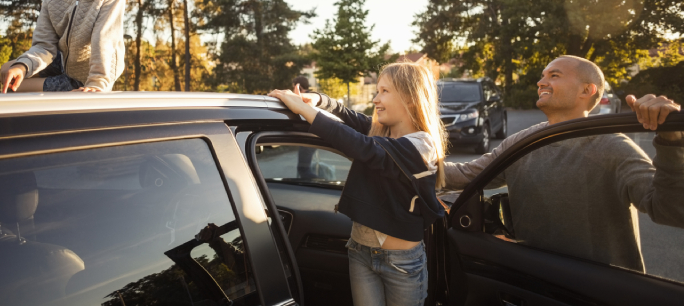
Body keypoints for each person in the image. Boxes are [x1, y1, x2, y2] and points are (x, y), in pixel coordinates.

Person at [444, 55, 684, 271]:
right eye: (542, 77)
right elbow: (464, 175)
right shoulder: (521, 142)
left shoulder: (615, 148)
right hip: (537, 283)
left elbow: (669, 210)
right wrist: (410, 159)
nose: (541, 82)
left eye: (554, 75)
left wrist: (671, 141)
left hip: (598, 292)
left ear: (586, 90)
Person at [269, 62, 447, 306]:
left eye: (385, 91)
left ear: (411, 98)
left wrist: (305, 110)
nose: (375, 99)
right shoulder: (381, 132)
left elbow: (362, 146)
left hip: (401, 262)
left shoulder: (421, 145)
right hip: (360, 251)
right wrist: (317, 100)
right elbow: (346, 115)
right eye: (377, 91)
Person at [292, 76, 317, 179]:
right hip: (313, 138)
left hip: (307, 139)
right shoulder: (313, 97)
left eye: (293, 87)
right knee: (305, 168)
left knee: (303, 169)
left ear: (298, 86)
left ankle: (317, 184)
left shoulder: (302, 100)